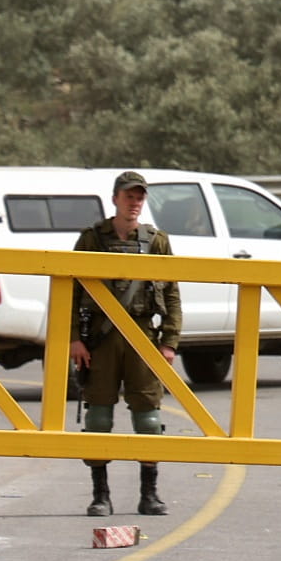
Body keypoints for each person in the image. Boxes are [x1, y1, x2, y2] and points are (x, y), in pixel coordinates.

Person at [71, 171, 183, 518]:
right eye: (128, 196)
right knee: (99, 418)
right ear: (115, 198)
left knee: (148, 418)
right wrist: (74, 338)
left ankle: (149, 494)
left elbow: (172, 292)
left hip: (143, 338)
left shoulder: (157, 242)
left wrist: (169, 342)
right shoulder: (91, 238)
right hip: (101, 341)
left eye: (139, 198)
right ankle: (100, 495)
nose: (134, 203)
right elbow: (70, 291)